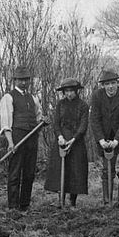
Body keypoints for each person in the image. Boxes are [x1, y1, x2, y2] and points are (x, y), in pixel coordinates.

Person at [89, 69, 119, 204]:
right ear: (103, 86)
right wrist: (101, 140)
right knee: (107, 170)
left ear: (117, 83)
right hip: (105, 138)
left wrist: (117, 140)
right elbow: (94, 119)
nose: (110, 87)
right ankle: (107, 201)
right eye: (107, 84)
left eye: (112, 83)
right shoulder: (97, 96)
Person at [0, 65, 45, 212]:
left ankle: (25, 204)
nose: (24, 83)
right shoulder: (8, 97)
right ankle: (13, 206)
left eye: (26, 80)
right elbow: (6, 122)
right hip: (17, 137)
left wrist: (43, 121)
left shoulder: (33, 98)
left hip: (32, 138)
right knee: (15, 173)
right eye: (20, 80)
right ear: (15, 80)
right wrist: (10, 142)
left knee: (29, 172)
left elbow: (38, 117)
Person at [44, 78, 90, 207]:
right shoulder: (60, 104)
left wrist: (74, 139)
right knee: (60, 170)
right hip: (62, 141)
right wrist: (60, 137)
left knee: (75, 170)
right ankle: (61, 199)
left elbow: (83, 125)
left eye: (71, 91)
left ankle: (72, 201)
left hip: (76, 141)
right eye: (66, 91)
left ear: (76, 91)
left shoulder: (83, 106)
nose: (69, 94)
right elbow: (56, 123)